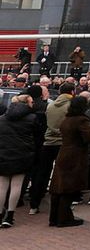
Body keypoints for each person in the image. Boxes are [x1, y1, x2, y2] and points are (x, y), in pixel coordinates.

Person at [49, 96, 90, 227]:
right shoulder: (82, 120)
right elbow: (89, 137)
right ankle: (64, 218)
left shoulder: (67, 119)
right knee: (69, 187)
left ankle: (54, 217)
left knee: (58, 187)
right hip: (75, 155)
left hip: (63, 152)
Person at [30, 81, 74, 215]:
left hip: (48, 141)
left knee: (42, 173)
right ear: (72, 92)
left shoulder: (50, 106)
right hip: (63, 142)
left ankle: (34, 204)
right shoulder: (71, 105)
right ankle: (62, 207)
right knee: (63, 174)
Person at [0, 94, 39, 228]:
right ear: (26, 103)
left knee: (2, 185)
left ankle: (0, 214)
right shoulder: (32, 118)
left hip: (3, 154)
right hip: (23, 154)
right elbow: (37, 137)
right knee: (17, 185)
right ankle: (10, 216)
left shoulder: (2, 118)